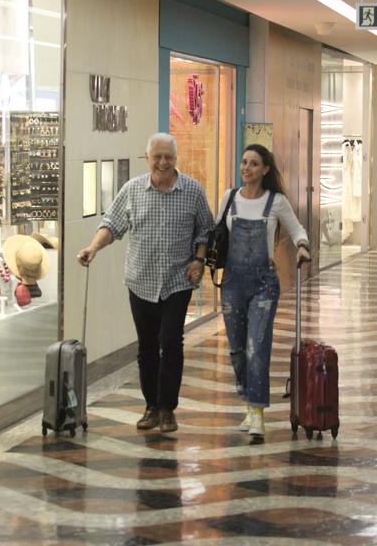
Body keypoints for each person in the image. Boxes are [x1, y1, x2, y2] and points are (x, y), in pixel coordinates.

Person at [77, 132, 214, 433]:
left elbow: (206, 229)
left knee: (171, 343)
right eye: (157, 157)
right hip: (141, 280)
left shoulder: (192, 190)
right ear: (148, 158)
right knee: (147, 347)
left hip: (178, 281)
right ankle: (151, 406)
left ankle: (168, 408)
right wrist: (93, 248)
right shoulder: (132, 190)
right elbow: (111, 225)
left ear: (176, 159)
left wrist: (199, 259)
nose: (162, 163)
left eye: (168, 157)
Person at [217, 143, 310, 443]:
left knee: (257, 348)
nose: (246, 168)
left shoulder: (276, 201)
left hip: (263, 285)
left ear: (265, 169)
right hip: (231, 282)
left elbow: (297, 230)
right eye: (244, 162)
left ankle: (257, 412)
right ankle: (248, 399)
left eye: (253, 163)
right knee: (236, 350)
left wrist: (302, 248)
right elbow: (217, 232)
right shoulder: (229, 198)